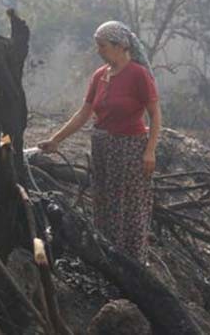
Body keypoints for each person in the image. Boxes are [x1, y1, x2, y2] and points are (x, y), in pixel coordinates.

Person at [38, 21, 161, 262]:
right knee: (103, 202)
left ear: (120, 46)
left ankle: (131, 261)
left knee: (128, 205)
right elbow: (83, 114)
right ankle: (107, 257)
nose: (99, 51)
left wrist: (150, 151)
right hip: (102, 148)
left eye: (102, 46)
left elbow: (155, 114)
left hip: (129, 148)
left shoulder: (138, 74)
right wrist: (56, 140)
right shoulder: (99, 76)